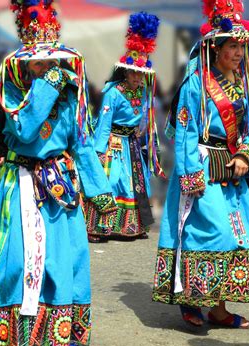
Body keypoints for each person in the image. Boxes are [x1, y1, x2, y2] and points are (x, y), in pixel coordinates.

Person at [0, 1, 116, 346]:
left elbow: (82, 145)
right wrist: (50, 84)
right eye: (39, 63)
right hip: (20, 184)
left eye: (51, 62)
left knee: (65, 258)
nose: (46, 68)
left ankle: (59, 334)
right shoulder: (9, 92)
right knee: (18, 260)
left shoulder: (71, 96)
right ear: (25, 63)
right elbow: (24, 130)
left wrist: (100, 191)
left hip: (59, 187)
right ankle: (14, 337)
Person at [152, 0, 249, 328]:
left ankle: (217, 307)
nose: (239, 53)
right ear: (215, 49)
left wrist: (246, 152)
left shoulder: (245, 86)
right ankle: (190, 297)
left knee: (239, 236)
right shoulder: (195, 86)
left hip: (232, 169)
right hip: (201, 167)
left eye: (241, 46)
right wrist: (191, 175)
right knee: (209, 233)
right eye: (232, 45)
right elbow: (185, 134)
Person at [85, 12, 163, 242]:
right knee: (112, 180)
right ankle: (100, 226)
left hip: (132, 145)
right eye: (134, 73)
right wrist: (99, 150)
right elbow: (105, 123)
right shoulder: (113, 93)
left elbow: (144, 117)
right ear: (125, 71)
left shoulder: (143, 91)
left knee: (135, 183)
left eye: (142, 74)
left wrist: (142, 134)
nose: (138, 77)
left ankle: (131, 226)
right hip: (114, 145)